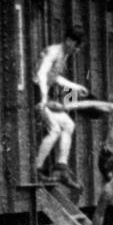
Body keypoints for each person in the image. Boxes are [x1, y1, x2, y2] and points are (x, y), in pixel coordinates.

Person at [33, 26, 87, 190]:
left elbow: (55, 78)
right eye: (76, 46)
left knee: (69, 124)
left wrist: (75, 87)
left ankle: (61, 168)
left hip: (45, 97)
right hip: (36, 94)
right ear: (69, 41)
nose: (77, 50)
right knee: (55, 129)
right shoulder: (54, 52)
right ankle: (37, 168)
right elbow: (42, 74)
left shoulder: (64, 55)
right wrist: (43, 98)